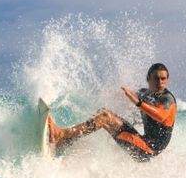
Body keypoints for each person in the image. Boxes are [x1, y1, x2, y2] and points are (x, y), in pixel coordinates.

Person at [48, 63, 177, 161]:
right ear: (148, 78)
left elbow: (160, 116)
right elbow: (128, 97)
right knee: (103, 112)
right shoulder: (145, 93)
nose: (160, 82)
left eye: (163, 79)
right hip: (142, 141)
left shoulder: (167, 99)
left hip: (148, 150)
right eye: (156, 78)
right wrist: (105, 94)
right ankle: (67, 142)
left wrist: (138, 103)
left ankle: (61, 135)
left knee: (105, 118)